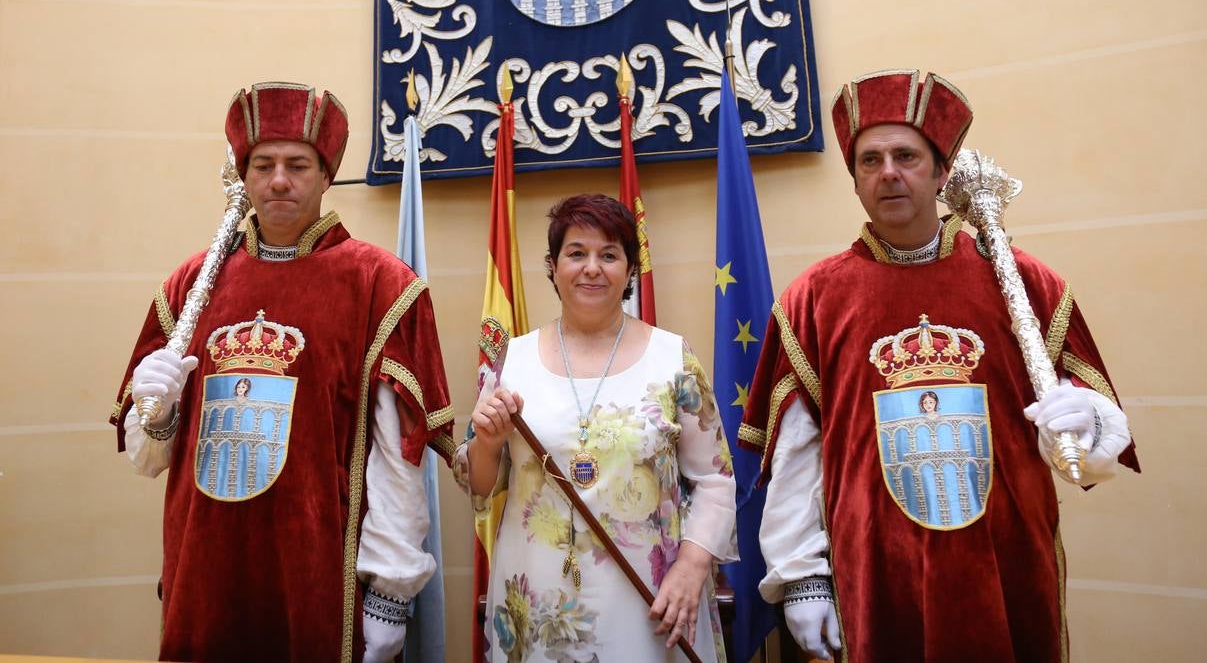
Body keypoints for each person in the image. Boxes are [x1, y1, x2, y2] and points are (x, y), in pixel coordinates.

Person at [739, 70, 1139, 662]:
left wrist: (1085, 421)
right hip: (875, 574)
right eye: (870, 161)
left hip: (1005, 562)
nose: (889, 173)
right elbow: (800, 453)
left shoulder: (1024, 281)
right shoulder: (814, 300)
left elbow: (1086, 452)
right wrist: (802, 576)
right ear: (854, 180)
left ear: (943, 171)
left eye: (907, 156)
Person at [108, 82, 455, 663]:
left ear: (326, 175)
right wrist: (160, 415)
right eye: (263, 164)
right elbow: (149, 460)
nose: (278, 180)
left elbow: (398, 457)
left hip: (319, 578)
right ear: (243, 177)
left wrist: (389, 597)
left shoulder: (379, 284)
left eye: (298, 165)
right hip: (204, 571)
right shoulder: (190, 285)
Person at [455, 194, 738, 661]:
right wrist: (486, 443)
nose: (592, 268)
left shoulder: (673, 358)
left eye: (609, 255)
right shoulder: (512, 359)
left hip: (652, 593)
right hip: (537, 594)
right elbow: (482, 484)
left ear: (630, 269)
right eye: (576, 253)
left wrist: (692, 565)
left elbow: (715, 479)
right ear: (553, 266)